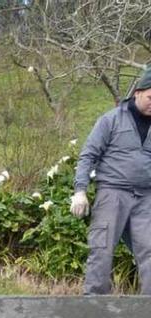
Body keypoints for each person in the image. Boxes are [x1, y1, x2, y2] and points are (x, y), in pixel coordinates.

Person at [71, 67, 151, 294]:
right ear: (137, 92)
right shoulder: (111, 120)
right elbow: (88, 155)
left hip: (146, 197)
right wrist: (80, 191)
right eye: (150, 98)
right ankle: (95, 305)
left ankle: (147, 313)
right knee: (102, 248)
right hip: (112, 193)